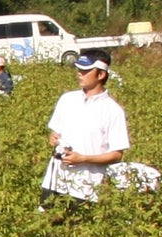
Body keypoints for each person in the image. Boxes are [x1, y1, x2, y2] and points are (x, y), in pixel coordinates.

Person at [41, 55, 129, 205]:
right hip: (55, 180)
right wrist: (54, 138)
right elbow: (55, 132)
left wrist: (83, 159)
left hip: (86, 188)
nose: (79, 73)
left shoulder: (113, 111)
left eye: (85, 71)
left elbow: (116, 155)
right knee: (46, 225)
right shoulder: (67, 99)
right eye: (79, 69)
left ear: (101, 74)